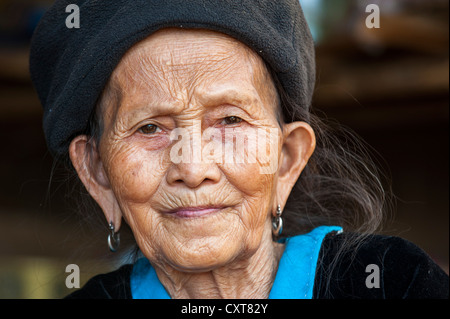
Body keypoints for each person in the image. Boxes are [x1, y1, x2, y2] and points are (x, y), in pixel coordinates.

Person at [29, 0, 448, 299]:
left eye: (230, 120)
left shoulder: (392, 282)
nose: (192, 168)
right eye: (150, 127)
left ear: (286, 159)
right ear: (98, 173)